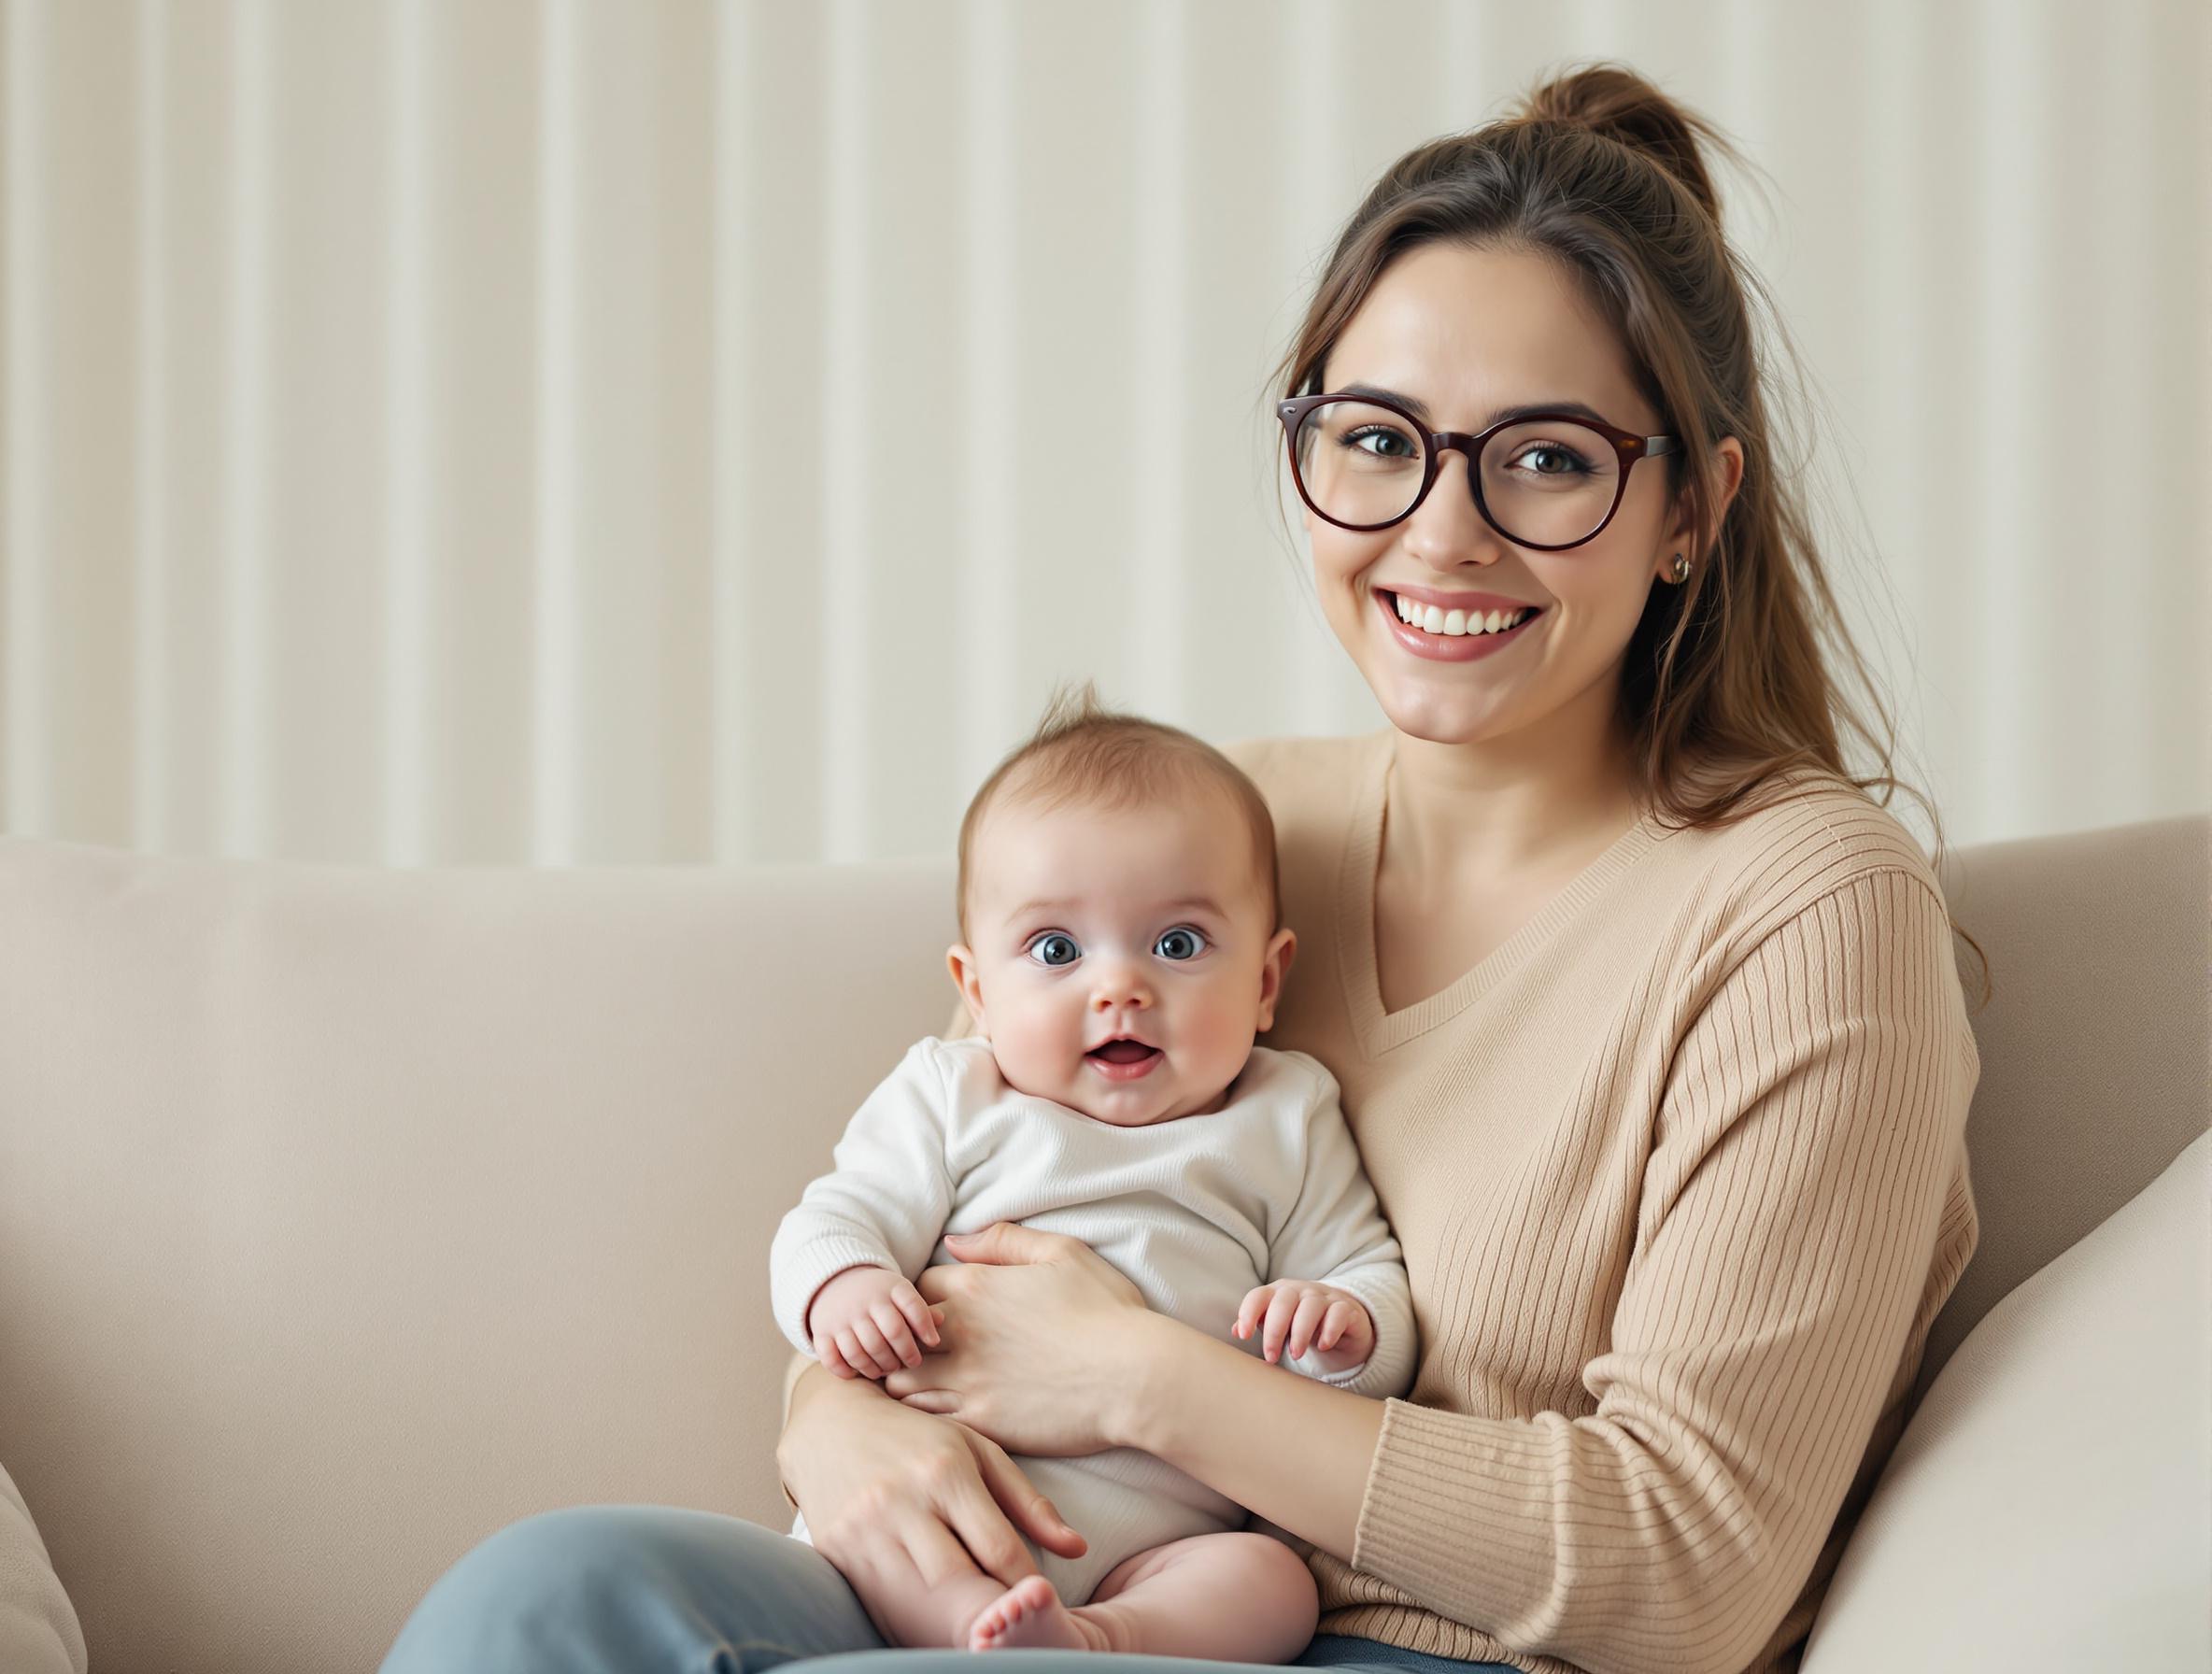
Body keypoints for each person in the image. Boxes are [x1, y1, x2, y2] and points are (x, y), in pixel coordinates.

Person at [381, 60, 1978, 1674]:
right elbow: (943, 1219)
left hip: (1421, 1650)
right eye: (1377, 440)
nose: (1442, 533)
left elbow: (1690, 1568)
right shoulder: (1217, 841)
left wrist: (1142, 1380)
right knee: (548, 1595)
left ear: (1694, 504)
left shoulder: (1805, 906)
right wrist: (831, 1424)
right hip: (1015, 1581)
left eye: (1549, 458)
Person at [769, 684, 1416, 1658]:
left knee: (1273, 1584)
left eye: (1178, 944)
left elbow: (1369, 1275)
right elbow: (831, 1219)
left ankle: (1096, 1641)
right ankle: (967, 1626)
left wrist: (1343, 1325)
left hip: (1159, 1548)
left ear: (1266, 981)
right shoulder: (953, 1093)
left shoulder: (1285, 1114)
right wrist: (846, 1287)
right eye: (1056, 948)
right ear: (977, 990)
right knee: (880, 1552)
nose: (1120, 986)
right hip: (943, 1489)